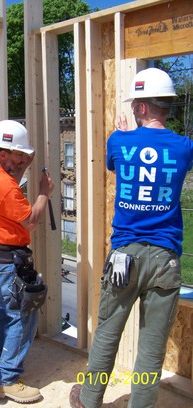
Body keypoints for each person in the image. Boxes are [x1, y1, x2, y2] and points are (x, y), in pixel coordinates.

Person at [69, 67, 193, 408]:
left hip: (125, 256)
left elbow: (114, 164)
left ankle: (90, 397)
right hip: (165, 259)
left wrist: (124, 135)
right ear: (166, 105)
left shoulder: (119, 141)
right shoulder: (184, 147)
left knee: (107, 333)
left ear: (140, 108)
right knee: (152, 351)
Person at [0, 120, 55, 403]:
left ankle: (2, 363)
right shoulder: (6, 187)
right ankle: (7, 380)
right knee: (23, 317)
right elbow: (31, 221)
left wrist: (24, 162)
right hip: (10, 263)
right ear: (4, 152)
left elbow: (10, 179)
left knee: (3, 314)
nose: (23, 159)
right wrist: (44, 192)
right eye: (18, 154)